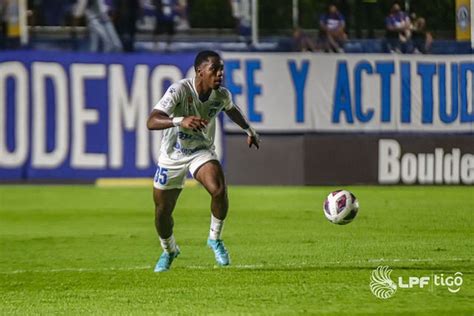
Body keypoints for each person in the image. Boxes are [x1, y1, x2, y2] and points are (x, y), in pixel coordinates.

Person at [147, 50, 260, 272]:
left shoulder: (222, 95)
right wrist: (180, 120)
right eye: (214, 70)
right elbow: (151, 121)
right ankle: (169, 250)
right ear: (200, 71)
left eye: (221, 70)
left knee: (218, 189)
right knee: (162, 211)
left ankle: (214, 239)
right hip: (172, 156)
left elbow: (231, 110)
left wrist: (249, 129)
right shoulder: (179, 90)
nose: (219, 74)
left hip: (200, 150)